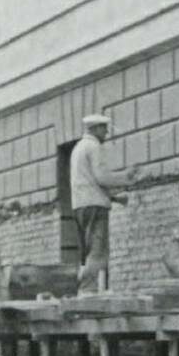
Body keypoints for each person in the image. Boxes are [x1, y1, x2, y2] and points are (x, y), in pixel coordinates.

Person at [69, 114, 138, 295]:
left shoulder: (78, 148)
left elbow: (88, 183)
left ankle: (86, 289)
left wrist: (114, 198)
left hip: (80, 206)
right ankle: (87, 290)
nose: (106, 132)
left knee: (88, 251)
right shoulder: (94, 147)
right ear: (95, 128)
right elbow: (101, 178)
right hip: (95, 207)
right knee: (98, 251)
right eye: (103, 128)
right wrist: (125, 177)